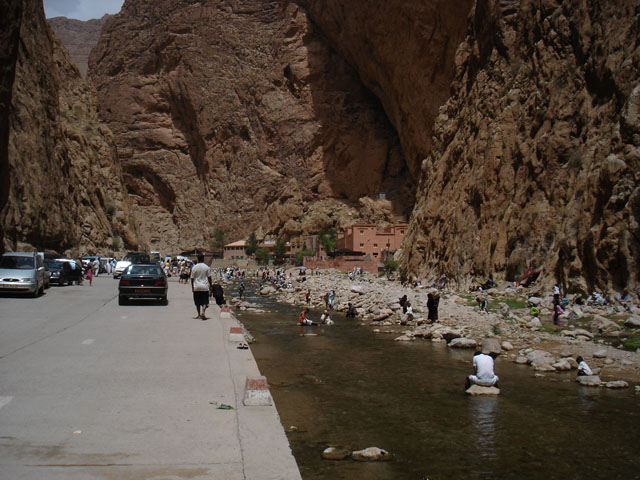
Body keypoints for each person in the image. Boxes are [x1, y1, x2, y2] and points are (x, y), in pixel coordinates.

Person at [190, 253, 212, 320]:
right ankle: (203, 312)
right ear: (203, 259)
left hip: (196, 286)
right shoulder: (206, 267)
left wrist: (192, 287)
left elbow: (192, 278)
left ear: (197, 259)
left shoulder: (194, 267)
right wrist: (211, 286)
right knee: (205, 301)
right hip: (204, 287)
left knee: (197, 302)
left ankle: (198, 314)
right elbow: (209, 277)